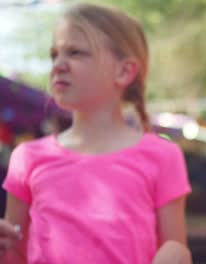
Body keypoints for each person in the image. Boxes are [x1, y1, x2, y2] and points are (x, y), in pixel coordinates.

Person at [0, 3, 192, 264]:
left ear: (124, 71)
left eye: (75, 53)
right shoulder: (27, 157)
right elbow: (13, 255)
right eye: (54, 55)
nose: (58, 65)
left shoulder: (163, 155)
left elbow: (175, 252)